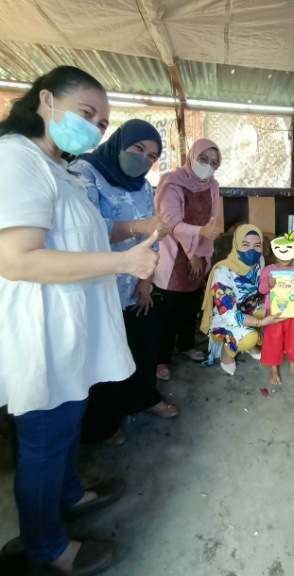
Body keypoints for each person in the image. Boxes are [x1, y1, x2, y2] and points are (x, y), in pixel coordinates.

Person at [0, 66, 159, 575]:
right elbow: (16, 259)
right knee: (45, 438)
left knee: (66, 423)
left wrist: (137, 228)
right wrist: (125, 263)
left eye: (101, 123)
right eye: (86, 114)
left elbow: (85, 233)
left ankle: (71, 493)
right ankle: (47, 548)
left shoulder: (60, 166)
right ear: (46, 99)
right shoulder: (15, 159)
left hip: (71, 325)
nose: (93, 128)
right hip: (40, 330)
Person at [71, 119, 178, 446]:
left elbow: (155, 234)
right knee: (102, 361)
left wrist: (146, 282)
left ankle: (144, 398)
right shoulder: (85, 174)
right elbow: (81, 232)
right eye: (138, 149)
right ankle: (102, 425)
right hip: (97, 290)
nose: (144, 159)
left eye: (151, 156)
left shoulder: (143, 186)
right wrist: (137, 227)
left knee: (144, 343)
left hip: (133, 288)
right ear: (120, 143)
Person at [153, 139, 222, 382]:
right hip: (173, 254)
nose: (208, 166)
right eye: (204, 160)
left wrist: (203, 254)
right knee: (169, 309)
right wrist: (192, 252)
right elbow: (171, 223)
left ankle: (186, 345)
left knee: (191, 304)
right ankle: (160, 359)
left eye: (214, 163)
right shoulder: (171, 183)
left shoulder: (212, 186)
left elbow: (212, 222)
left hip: (200, 251)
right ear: (192, 156)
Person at [200, 224, 284, 375]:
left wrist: (271, 285)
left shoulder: (259, 262)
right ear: (237, 245)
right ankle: (227, 354)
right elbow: (229, 314)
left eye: (257, 245)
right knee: (251, 337)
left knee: (277, 311)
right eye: (245, 245)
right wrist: (260, 323)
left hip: (249, 307)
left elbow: (259, 290)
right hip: (224, 319)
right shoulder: (222, 272)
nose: (252, 250)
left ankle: (251, 345)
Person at [259, 230, 294, 385]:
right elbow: (262, 290)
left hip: (292, 312)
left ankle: (293, 366)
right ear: (275, 252)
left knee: (293, 339)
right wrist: (269, 284)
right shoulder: (268, 270)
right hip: (273, 313)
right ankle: (274, 368)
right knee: (273, 339)